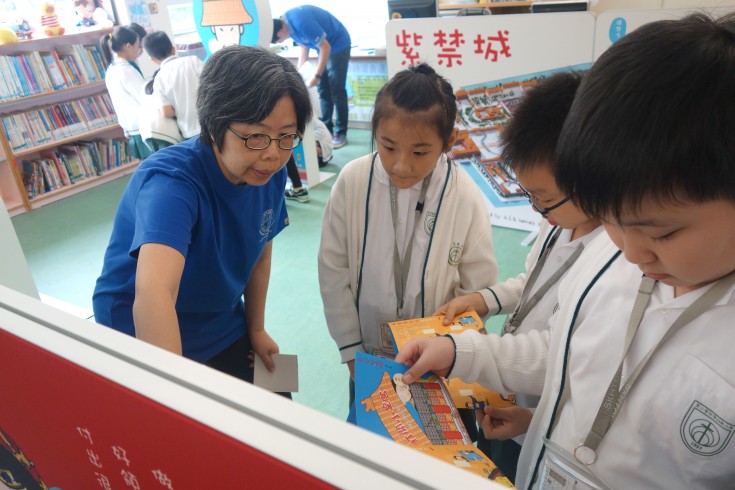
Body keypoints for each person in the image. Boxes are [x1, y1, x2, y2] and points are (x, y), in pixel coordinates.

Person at [396, 12, 735, 489]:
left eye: (661, 233)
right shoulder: (609, 258)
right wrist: (462, 354)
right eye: (612, 221)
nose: (632, 253)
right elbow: (566, 350)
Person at [93, 46, 312, 391]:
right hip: (140, 332)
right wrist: (175, 394)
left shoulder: (268, 172)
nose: (273, 152)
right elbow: (154, 293)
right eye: (256, 136)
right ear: (214, 126)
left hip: (219, 320)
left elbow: (260, 250)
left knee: (279, 400)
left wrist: (256, 329)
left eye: (287, 136)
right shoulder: (172, 182)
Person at [432, 71, 601, 483]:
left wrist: (465, 352)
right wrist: (485, 300)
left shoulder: (616, 255)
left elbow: (559, 354)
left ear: (595, 176)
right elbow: (532, 283)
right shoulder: (558, 222)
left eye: (543, 198)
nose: (536, 211)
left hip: (547, 415)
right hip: (515, 404)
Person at [318, 63, 498, 408]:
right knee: (369, 435)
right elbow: (333, 268)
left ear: (448, 143)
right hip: (366, 352)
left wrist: (450, 347)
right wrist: (351, 350)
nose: (401, 165)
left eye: (419, 152)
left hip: (436, 361)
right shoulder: (354, 180)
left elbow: (477, 285)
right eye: (388, 147)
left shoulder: (464, 196)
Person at [272, 5, 351, 149]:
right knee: (323, 91)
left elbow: (325, 47)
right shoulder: (288, 24)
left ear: (280, 32)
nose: (281, 42)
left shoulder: (300, 21)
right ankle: (327, 129)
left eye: (279, 40)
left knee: (336, 90)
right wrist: (298, 74)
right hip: (326, 48)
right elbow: (304, 47)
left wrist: (317, 75)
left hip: (339, 44)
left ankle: (341, 132)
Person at [99, 26, 152, 160]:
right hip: (143, 128)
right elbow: (145, 99)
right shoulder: (127, 70)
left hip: (130, 127)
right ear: (128, 46)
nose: (139, 50)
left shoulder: (111, 69)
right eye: (138, 46)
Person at [142, 31, 205, 139]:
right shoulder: (193, 61)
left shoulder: (158, 79)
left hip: (189, 131)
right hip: (213, 121)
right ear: (173, 49)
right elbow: (213, 83)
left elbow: (166, 112)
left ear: (152, 59)